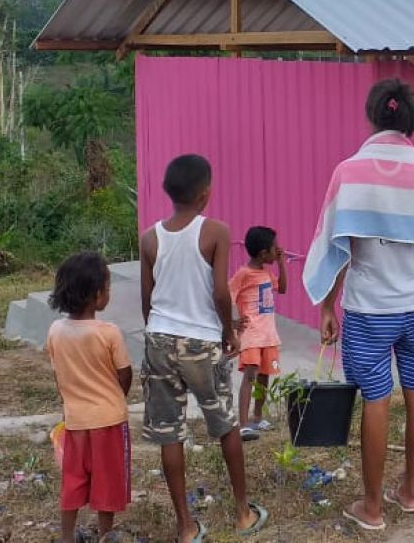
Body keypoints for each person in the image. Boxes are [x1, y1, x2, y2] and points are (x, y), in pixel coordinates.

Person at [302, 78, 414, 532]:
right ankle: (410, 491)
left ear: (373, 115)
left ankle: (371, 507)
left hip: (369, 309)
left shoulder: (349, 171)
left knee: (376, 400)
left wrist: (327, 307)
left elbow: (337, 245)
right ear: (410, 120)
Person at [139, 155, 268, 541]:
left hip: (159, 339)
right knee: (225, 423)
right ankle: (243, 513)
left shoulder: (149, 238)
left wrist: (158, 334)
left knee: (169, 432)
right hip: (201, 341)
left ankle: (185, 526)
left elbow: (147, 300)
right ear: (206, 193)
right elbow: (218, 291)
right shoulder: (215, 231)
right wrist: (228, 329)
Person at [45, 251, 133, 543]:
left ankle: (67, 536)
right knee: (107, 481)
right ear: (97, 295)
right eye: (107, 288)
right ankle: (105, 534)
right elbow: (125, 374)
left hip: (75, 421)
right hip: (108, 420)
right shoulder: (109, 333)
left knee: (73, 480)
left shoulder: (56, 331)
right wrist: (116, 395)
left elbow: (59, 374)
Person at [229, 225, 288, 440]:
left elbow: (282, 288)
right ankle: (243, 423)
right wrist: (232, 322)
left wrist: (281, 263)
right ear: (264, 253)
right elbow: (226, 296)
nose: (278, 250)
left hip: (268, 334)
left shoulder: (266, 273)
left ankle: (257, 416)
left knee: (264, 376)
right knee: (250, 376)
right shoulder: (243, 274)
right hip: (252, 334)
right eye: (275, 248)